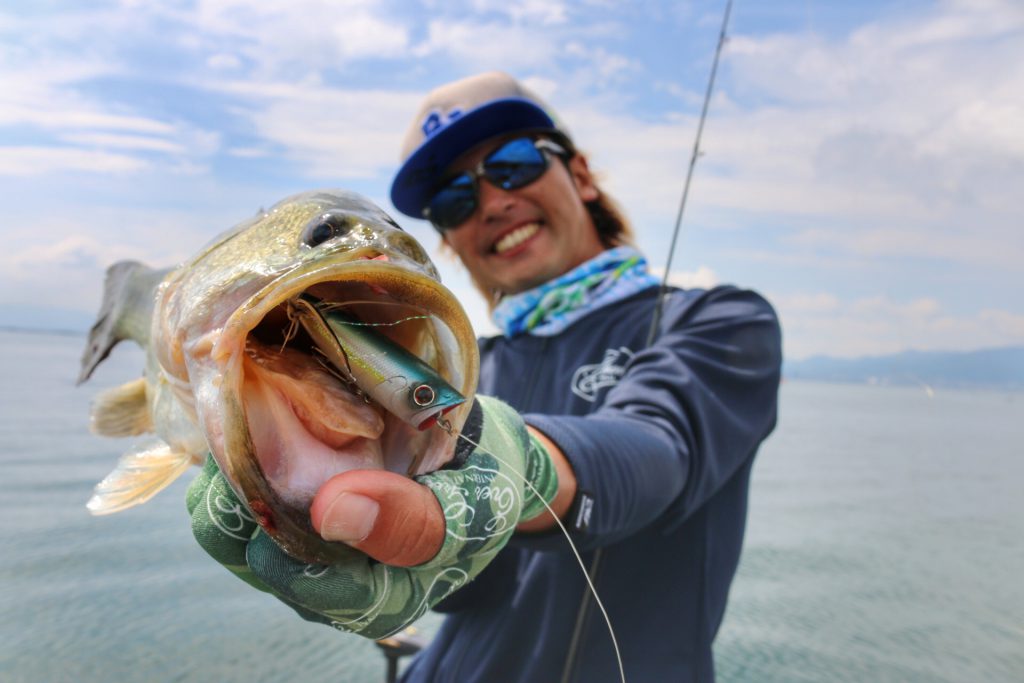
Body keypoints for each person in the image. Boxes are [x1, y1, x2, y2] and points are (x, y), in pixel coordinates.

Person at [189, 71, 782, 682]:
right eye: (455, 200)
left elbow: (660, 451)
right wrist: (377, 545)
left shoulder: (722, 321)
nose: (493, 202)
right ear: (451, 242)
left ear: (580, 174)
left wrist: (524, 464)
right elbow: (469, 589)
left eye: (514, 163)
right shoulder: (479, 366)